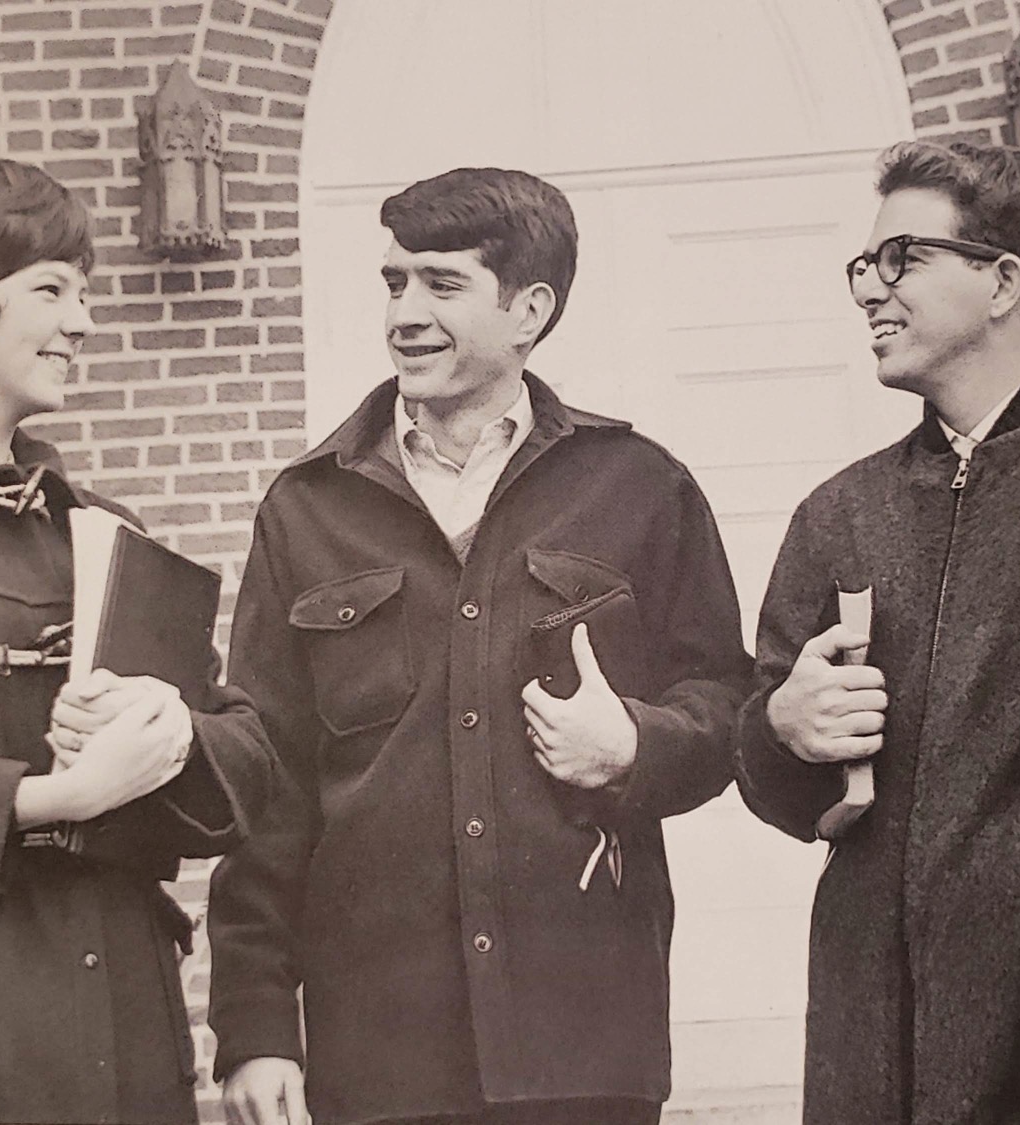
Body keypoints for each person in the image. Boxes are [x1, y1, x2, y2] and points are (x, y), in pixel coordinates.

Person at [207, 166, 752, 1125]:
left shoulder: (638, 487)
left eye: (441, 283)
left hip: (583, 1037)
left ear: (530, 308)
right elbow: (268, 776)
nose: (404, 313)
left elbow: (727, 706)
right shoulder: (307, 510)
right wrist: (253, 1023)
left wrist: (633, 745)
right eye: (393, 282)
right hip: (378, 1047)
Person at [734, 140, 1020, 1125]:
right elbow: (765, 775)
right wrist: (782, 729)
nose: (868, 290)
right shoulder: (838, 513)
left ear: (1005, 282)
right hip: (867, 1035)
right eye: (864, 264)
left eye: (903, 258)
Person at [0, 152, 276, 1124]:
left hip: (126, 1057)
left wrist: (170, 726)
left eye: (83, 293)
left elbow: (248, 760)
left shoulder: (101, 532)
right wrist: (49, 798)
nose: (82, 322)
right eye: (53, 290)